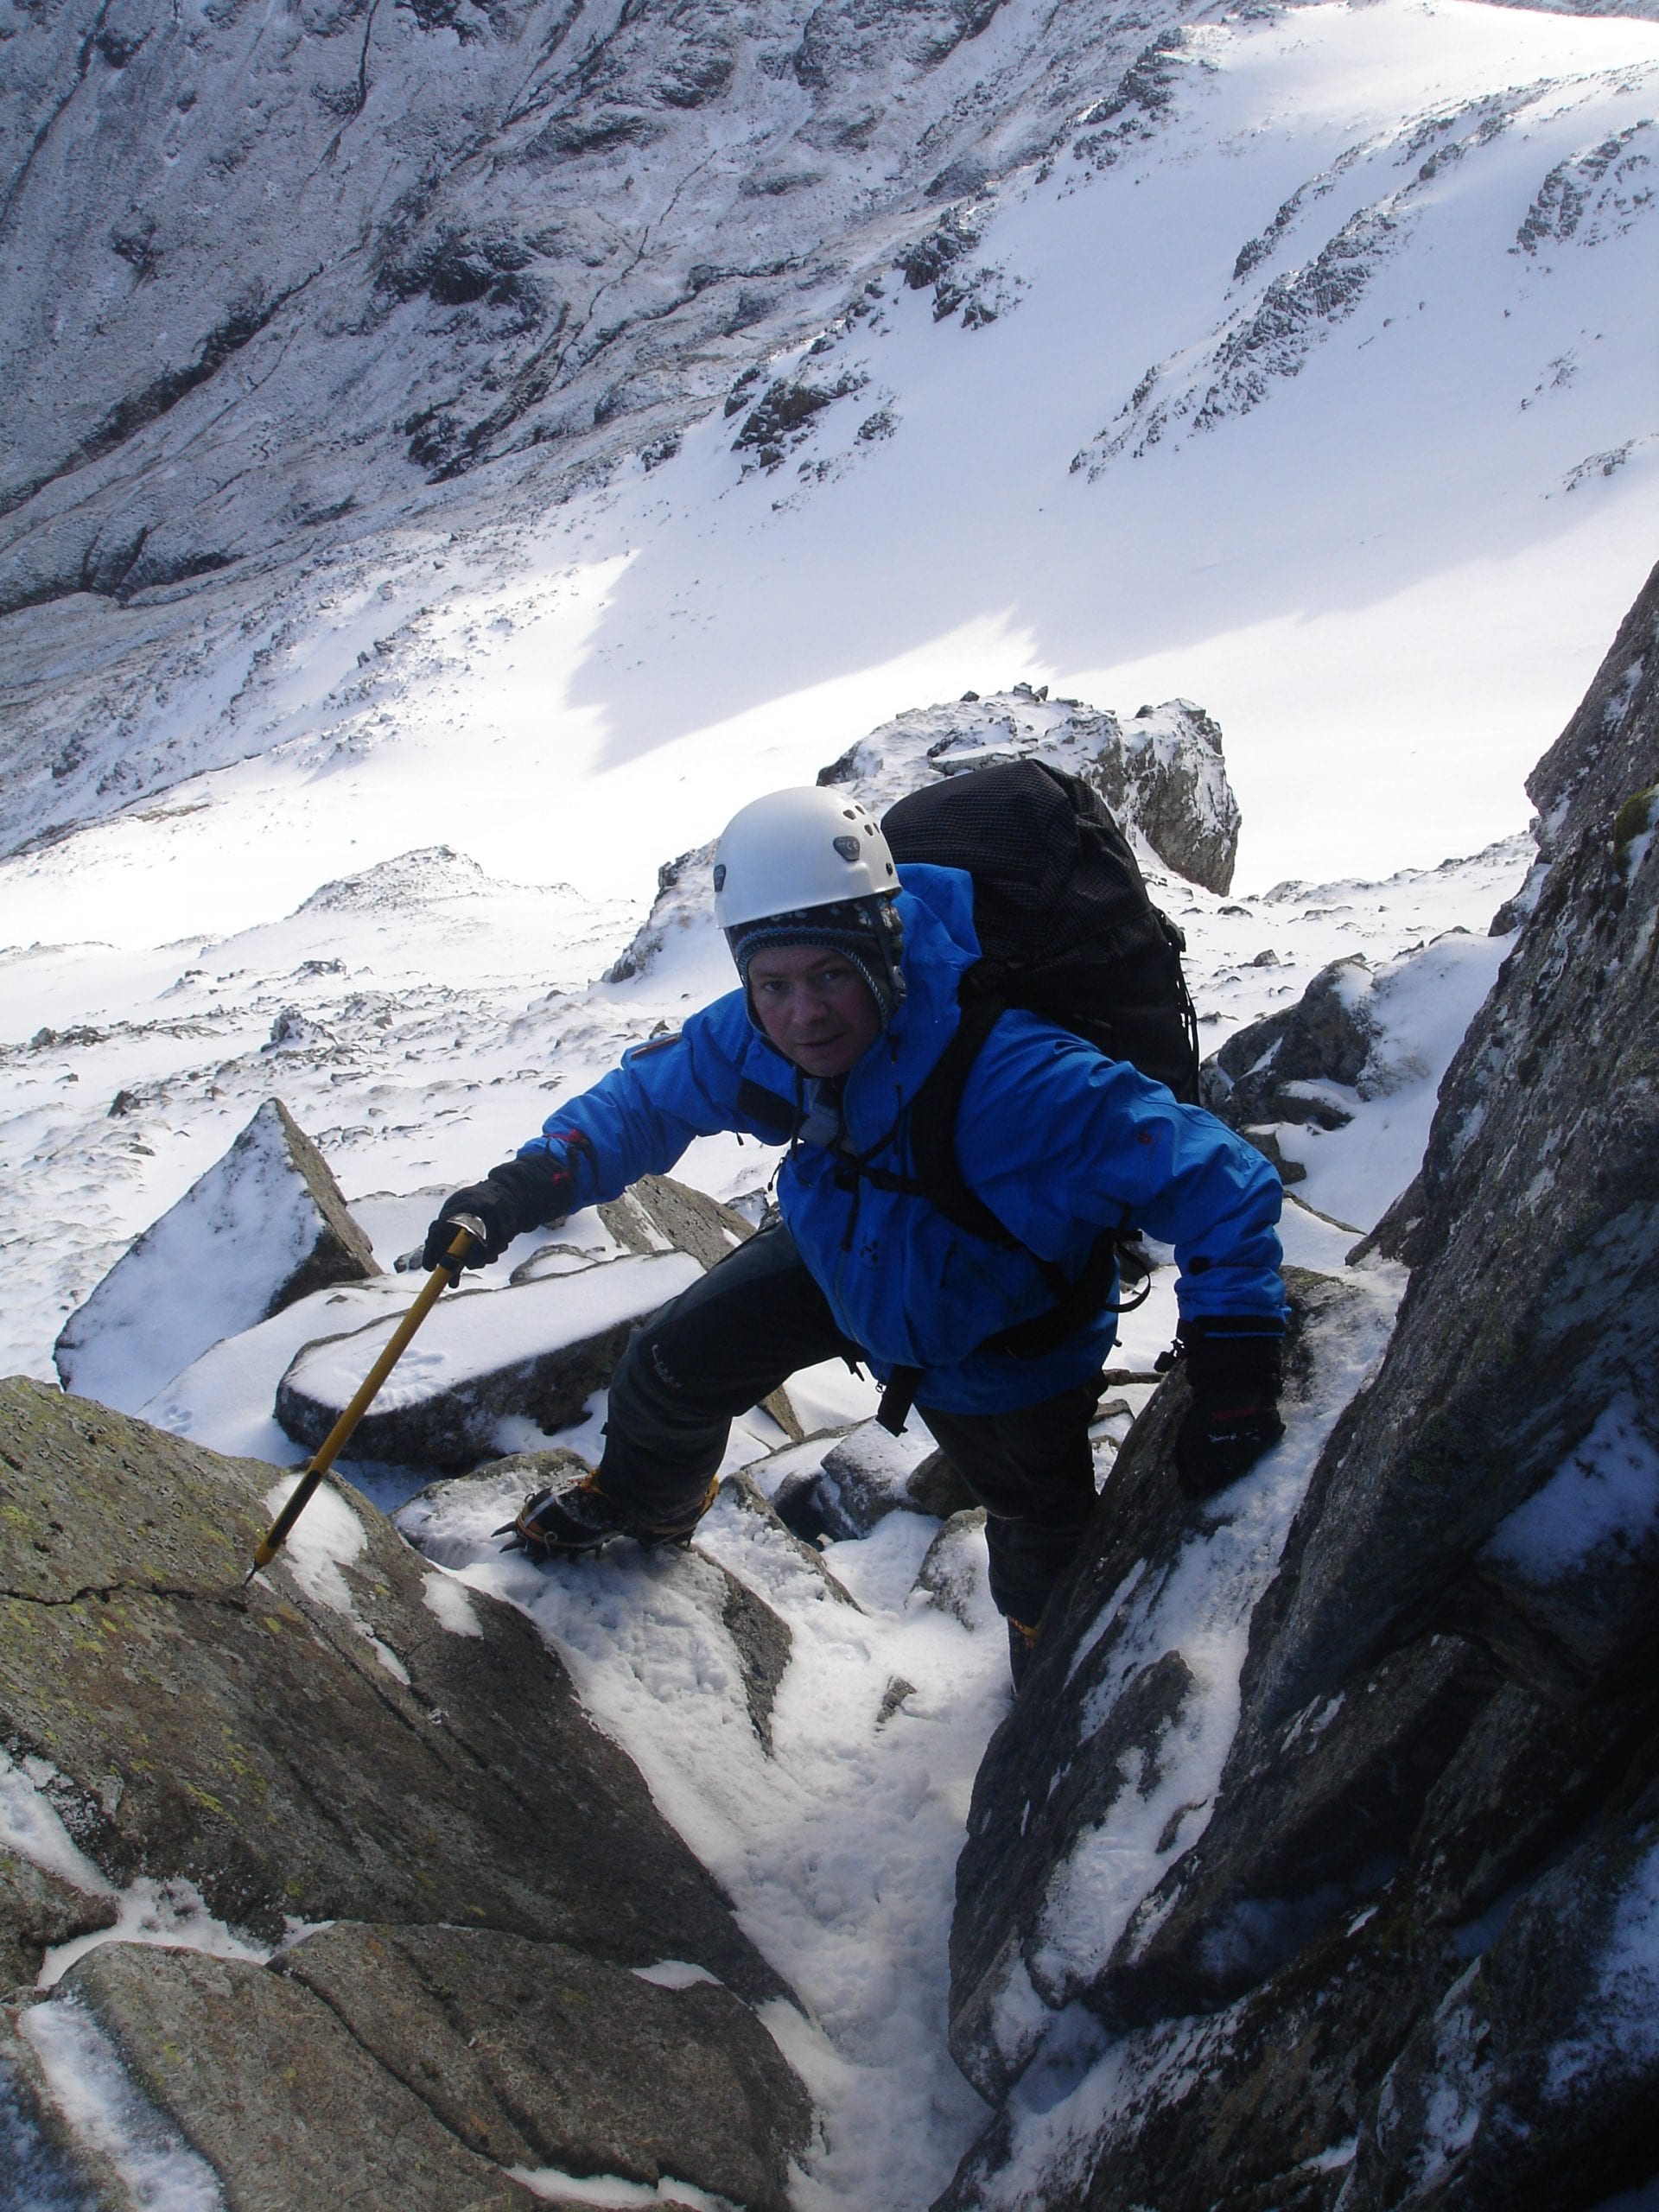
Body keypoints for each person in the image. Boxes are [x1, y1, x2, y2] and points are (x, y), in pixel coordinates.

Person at [423, 785, 1287, 1681]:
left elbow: (1219, 1180)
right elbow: (647, 1098)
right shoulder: (767, 1029)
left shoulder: (1019, 1081)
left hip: (995, 1332)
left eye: (832, 975)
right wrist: (523, 1187)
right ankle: (646, 1505)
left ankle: (1046, 1664)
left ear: (885, 948)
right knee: (667, 1371)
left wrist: (1237, 1363)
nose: (805, 1015)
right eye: (775, 985)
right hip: (842, 1254)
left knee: (1037, 1527)